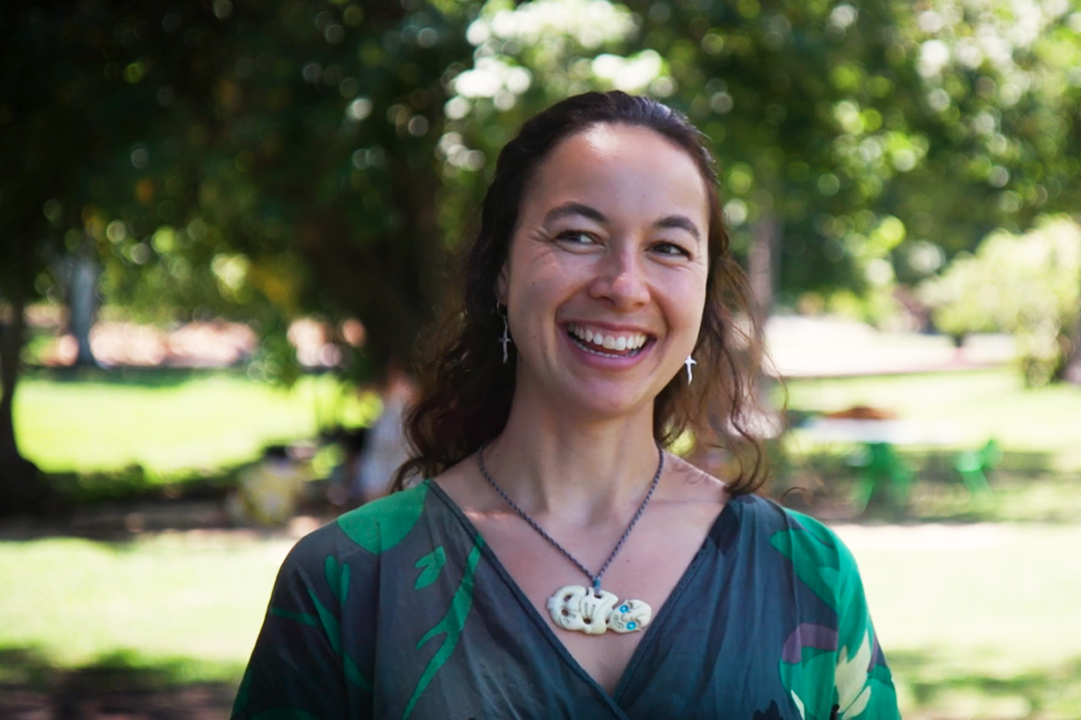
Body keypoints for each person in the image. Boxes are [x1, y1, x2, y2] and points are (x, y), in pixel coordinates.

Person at [232, 91, 900, 719]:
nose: (623, 286)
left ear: (702, 297)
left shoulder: (805, 573)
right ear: (500, 270)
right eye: (578, 235)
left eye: (668, 248)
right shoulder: (348, 581)